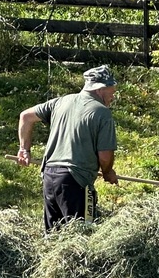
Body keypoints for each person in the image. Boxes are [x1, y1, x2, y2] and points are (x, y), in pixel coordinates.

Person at [17, 65, 120, 231]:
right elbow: (105, 157)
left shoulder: (61, 102)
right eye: (112, 91)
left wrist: (24, 149)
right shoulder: (102, 113)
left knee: (54, 236)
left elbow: (25, 117)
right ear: (101, 88)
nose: (113, 96)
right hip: (76, 182)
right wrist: (108, 172)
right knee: (82, 236)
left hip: (50, 177)